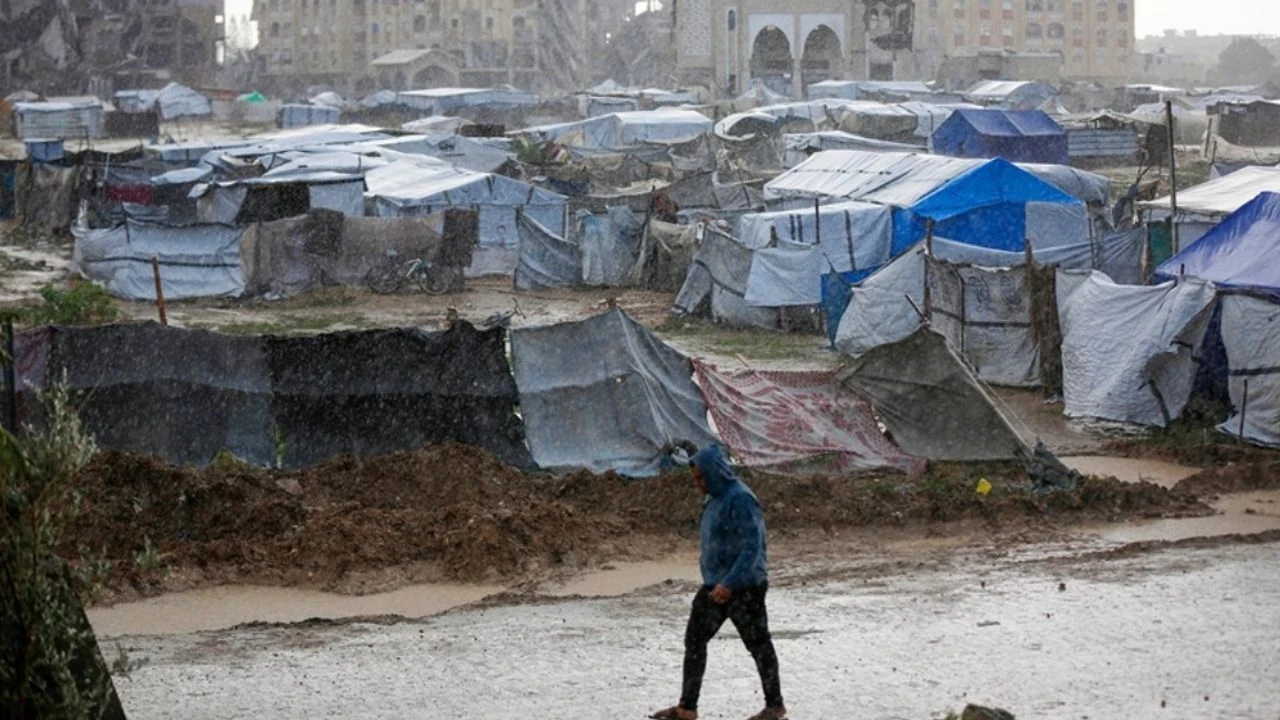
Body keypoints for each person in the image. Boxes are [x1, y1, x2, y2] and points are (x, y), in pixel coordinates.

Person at [651, 444, 786, 720]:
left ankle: (775, 706)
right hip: (715, 585)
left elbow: (753, 547)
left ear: (715, 472)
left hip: (744, 587)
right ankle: (687, 707)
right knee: (695, 639)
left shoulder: (741, 499)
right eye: (695, 478)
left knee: (759, 645)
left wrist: (730, 583)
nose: (698, 483)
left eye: (701, 477)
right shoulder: (712, 498)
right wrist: (717, 581)